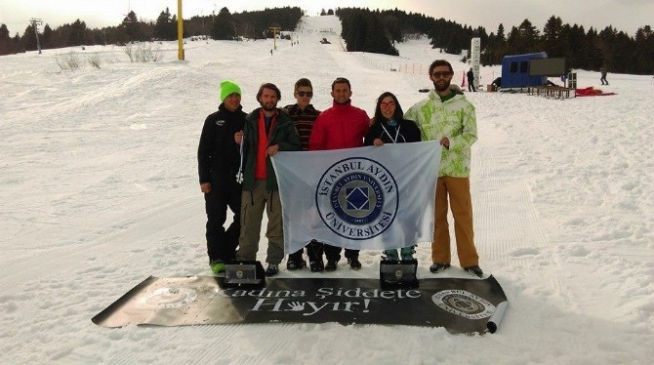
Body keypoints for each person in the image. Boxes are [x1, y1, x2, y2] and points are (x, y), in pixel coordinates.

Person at [404, 60, 484, 278]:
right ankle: (440, 258)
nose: (441, 77)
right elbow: (402, 126)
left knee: (463, 215)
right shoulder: (421, 108)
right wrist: (379, 123)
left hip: (458, 168)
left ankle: (469, 260)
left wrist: (452, 143)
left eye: (445, 74)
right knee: (437, 217)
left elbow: (471, 134)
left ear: (450, 76)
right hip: (432, 170)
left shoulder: (464, 106)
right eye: (437, 74)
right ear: (431, 77)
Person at [234, 83, 301, 277]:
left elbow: (296, 146)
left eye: (273, 97)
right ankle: (245, 260)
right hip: (252, 182)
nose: (269, 100)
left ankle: (273, 261)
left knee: (276, 225)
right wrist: (239, 141)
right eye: (266, 96)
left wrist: (280, 146)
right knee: (248, 225)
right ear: (260, 98)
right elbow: (243, 152)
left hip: (276, 182)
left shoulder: (286, 122)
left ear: (277, 99)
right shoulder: (250, 120)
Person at [308, 77, 370, 271]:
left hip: (356, 176)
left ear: (350, 92)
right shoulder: (325, 117)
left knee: (355, 217)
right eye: (338, 90)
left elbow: (371, 138)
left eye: (345, 90)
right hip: (332, 177)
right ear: (332, 93)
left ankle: (352, 255)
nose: (341, 93)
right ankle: (332, 257)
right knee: (332, 218)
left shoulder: (360, 115)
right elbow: (316, 146)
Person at [364, 91, 422, 261]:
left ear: (396, 106)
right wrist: (372, 143)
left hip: (407, 179)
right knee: (386, 216)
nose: (387, 107)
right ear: (378, 107)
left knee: (408, 215)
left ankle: (407, 250)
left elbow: (418, 151)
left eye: (391, 104)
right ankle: (390, 250)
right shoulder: (374, 129)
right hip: (383, 181)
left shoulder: (409, 126)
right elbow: (365, 152)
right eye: (383, 104)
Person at [197, 80, 247, 274]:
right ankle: (216, 257)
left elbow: (250, 150)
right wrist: (204, 179)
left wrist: (239, 144)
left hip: (238, 179)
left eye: (237, 95)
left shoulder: (247, 118)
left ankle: (227, 250)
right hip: (216, 179)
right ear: (224, 98)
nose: (234, 99)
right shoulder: (213, 120)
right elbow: (203, 152)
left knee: (244, 218)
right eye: (230, 95)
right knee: (216, 219)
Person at [282, 78, 322, 271]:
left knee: (314, 215)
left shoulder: (318, 116)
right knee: (295, 215)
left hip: (313, 172)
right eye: (301, 93)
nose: (305, 97)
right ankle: (295, 255)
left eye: (308, 93)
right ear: (295, 94)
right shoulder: (286, 114)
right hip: (293, 172)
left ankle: (314, 255)